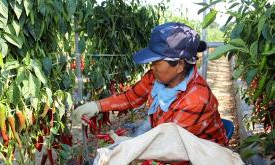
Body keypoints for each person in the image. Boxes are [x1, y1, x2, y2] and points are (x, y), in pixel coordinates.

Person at [73, 22, 228, 146]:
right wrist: (96, 106)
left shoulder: (196, 99)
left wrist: (135, 145)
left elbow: (171, 145)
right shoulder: (157, 77)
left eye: (156, 62)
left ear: (180, 65)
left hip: (201, 156)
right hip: (169, 139)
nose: (151, 66)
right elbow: (131, 97)